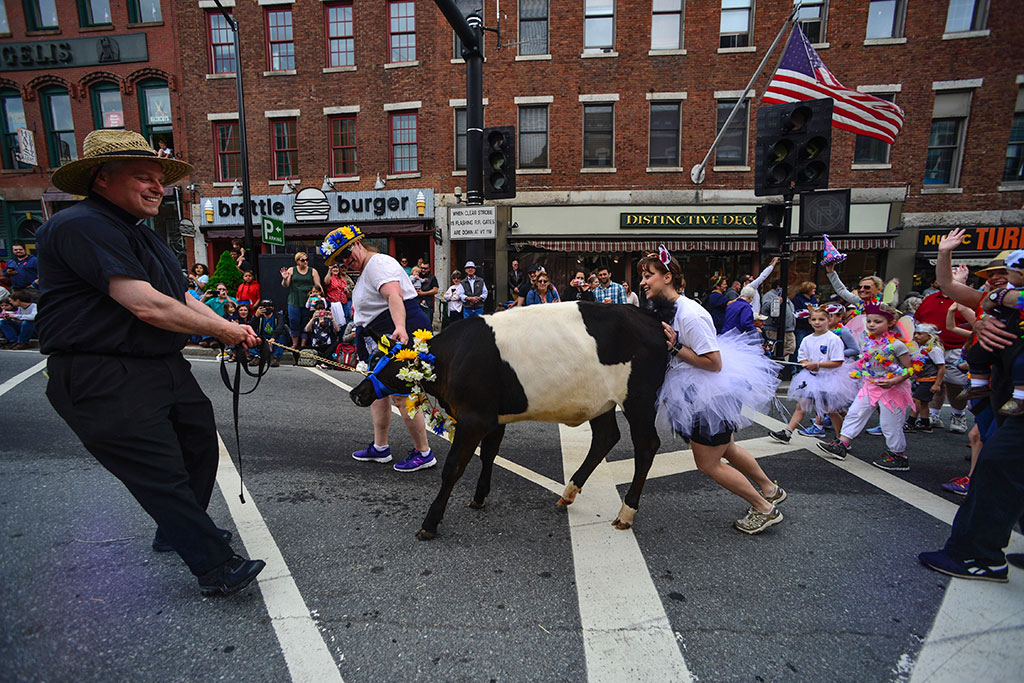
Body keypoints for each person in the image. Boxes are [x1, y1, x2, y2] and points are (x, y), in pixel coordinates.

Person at [34, 129, 264, 595]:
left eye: (160, 179)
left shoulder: (143, 234)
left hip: (158, 365)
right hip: (100, 371)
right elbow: (144, 304)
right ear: (102, 178)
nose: (158, 188)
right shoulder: (80, 224)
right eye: (144, 177)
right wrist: (223, 332)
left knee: (198, 442)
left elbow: (178, 296)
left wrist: (232, 327)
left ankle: (176, 529)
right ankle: (215, 568)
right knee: (159, 470)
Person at [640, 248, 786, 535]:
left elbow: (714, 363)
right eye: (643, 276)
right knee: (727, 447)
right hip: (698, 392)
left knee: (708, 463)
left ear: (668, 277)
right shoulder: (668, 309)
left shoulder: (690, 314)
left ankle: (764, 508)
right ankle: (770, 489)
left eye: (649, 275)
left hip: (708, 394)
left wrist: (676, 347)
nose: (643, 282)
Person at [319, 225, 436, 472]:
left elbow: (394, 295)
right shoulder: (367, 270)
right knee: (378, 392)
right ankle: (380, 447)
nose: (344, 261)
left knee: (402, 394)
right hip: (379, 336)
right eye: (338, 260)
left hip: (399, 330)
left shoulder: (377, 264)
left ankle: (424, 452)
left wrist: (400, 327)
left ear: (357, 243)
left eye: (345, 253)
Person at [818, 302, 915, 471]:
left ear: (890, 323)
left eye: (877, 321)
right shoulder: (868, 342)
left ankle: (898, 455)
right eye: (869, 321)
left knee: (889, 423)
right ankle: (842, 444)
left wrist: (893, 381)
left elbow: (910, 369)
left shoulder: (897, 345)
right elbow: (864, 362)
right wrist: (852, 370)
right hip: (870, 386)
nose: (871, 325)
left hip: (892, 390)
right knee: (855, 414)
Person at [770, 306, 857, 444]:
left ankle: (842, 441)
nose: (817, 322)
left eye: (821, 319)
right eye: (814, 319)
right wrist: (806, 363)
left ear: (829, 320)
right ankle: (787, 432)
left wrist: (818, 365)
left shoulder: (833, 339)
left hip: (829, 379)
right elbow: (802, 357)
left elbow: (838, 361)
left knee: (831, 411)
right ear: (809, 321)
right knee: (801, 406)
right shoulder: (807, 339)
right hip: (811, 378)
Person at [958, 248, 1024, 416]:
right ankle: (978, 387)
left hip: (1017, 347)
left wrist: (999, 296)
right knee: (977, 355)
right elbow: (987, 306)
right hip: (1000, 371)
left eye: (1004, 272)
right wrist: (983, 320)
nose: (996, 278)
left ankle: (1020, 397)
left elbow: (1017, 300)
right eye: (991, 274)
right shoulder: (1001, 292)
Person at [914, 261, 975, 433]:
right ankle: (933, 414)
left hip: (956, 348)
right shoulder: (930, 299)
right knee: (933, 383)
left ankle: (958, 414)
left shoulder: (966, 299)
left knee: (956, 384)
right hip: (930, 350)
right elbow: (918, 320)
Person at [281, 251, 322, 363]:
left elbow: (318, 286)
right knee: (294, 320)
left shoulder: (312, 271)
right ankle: (295, 343)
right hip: (294, 299)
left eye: (307, 259)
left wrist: (319, 295)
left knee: (305, 321)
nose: (305, 262)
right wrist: (284, 278)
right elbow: (286, 285)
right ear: (297, 261)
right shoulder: (291, 270)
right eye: (303, 260)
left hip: (308, 300)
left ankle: (303, 344)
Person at [906, 323, 946, 432]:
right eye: (915, 333)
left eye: (920, 334)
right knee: (923, 402)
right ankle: (925, 423)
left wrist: (937, 384)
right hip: (922, 379)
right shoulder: (921, 348)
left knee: (917, 400)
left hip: (930, 380)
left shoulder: (934, 350)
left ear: (929, 335)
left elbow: (941, 368)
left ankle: (910, 422)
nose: (916, 336)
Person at [761, 283, 796, 359]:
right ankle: (774, 359)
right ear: (778, 286)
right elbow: (765, 308)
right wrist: (776, 302)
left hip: (788, 329)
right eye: (786, 286)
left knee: (791, 347)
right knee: (773, 349)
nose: (788, 287)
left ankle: (778, 358)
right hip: (774, 329)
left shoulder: (784, 296)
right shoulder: (769, 295)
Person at [249, 300, 286, 367]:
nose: (267, 308)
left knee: (281, 336)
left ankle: (276, 358)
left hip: (274, 337)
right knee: (252, 335)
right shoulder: (259, 316)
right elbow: (251, 327)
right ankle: (256, 356)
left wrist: (273, 337)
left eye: (269, 306)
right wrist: (256, 316)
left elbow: (280, 327)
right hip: (262, 337)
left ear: (273, 307)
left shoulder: (278, 316)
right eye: (264, 306)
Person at [305, 301, 340, 369]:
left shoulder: (328, 319)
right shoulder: (314, 320)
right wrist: (313, 318)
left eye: (322, 309)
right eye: (318, 309)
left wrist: (333, 319)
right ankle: (322, 362)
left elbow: (338, 330)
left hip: (327, 345)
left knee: (336, 344)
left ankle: (320, 362)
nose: (320, 311)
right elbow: (307, 329)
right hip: (316, 345)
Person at [792, 281, 820, 352]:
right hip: (801, 328)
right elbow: (796, 313)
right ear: (807, 289)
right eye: (813, 288)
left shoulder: (814, 299)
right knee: (799, 347)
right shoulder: (797, 299)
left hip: (812, 328)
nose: (814, 290)